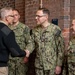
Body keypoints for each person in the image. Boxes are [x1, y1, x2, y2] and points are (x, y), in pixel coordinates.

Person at [25, 8, 65, 75]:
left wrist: (59, 65)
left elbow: (61, 48)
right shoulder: (35, 30)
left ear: (46, 17)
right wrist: (27, 51)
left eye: (38, 16)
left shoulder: (55, 29)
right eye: (36, 16)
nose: (36, 18)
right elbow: (31, 43)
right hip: (39, 65)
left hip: (51, 65)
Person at [0, 7, 27, 75]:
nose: (13, 18)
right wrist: (25, 53)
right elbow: (15, 52)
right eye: (12, 16)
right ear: (7, 18)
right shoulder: (6, 31)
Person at [8, 9, 31, 75]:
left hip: (21, 59)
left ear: (19, 16)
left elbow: (29, 42)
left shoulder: (24, 28)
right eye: (12, 15)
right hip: (9, 59)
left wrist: (27, 56)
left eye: (16, 15)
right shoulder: (7, 28)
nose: (14, 17)